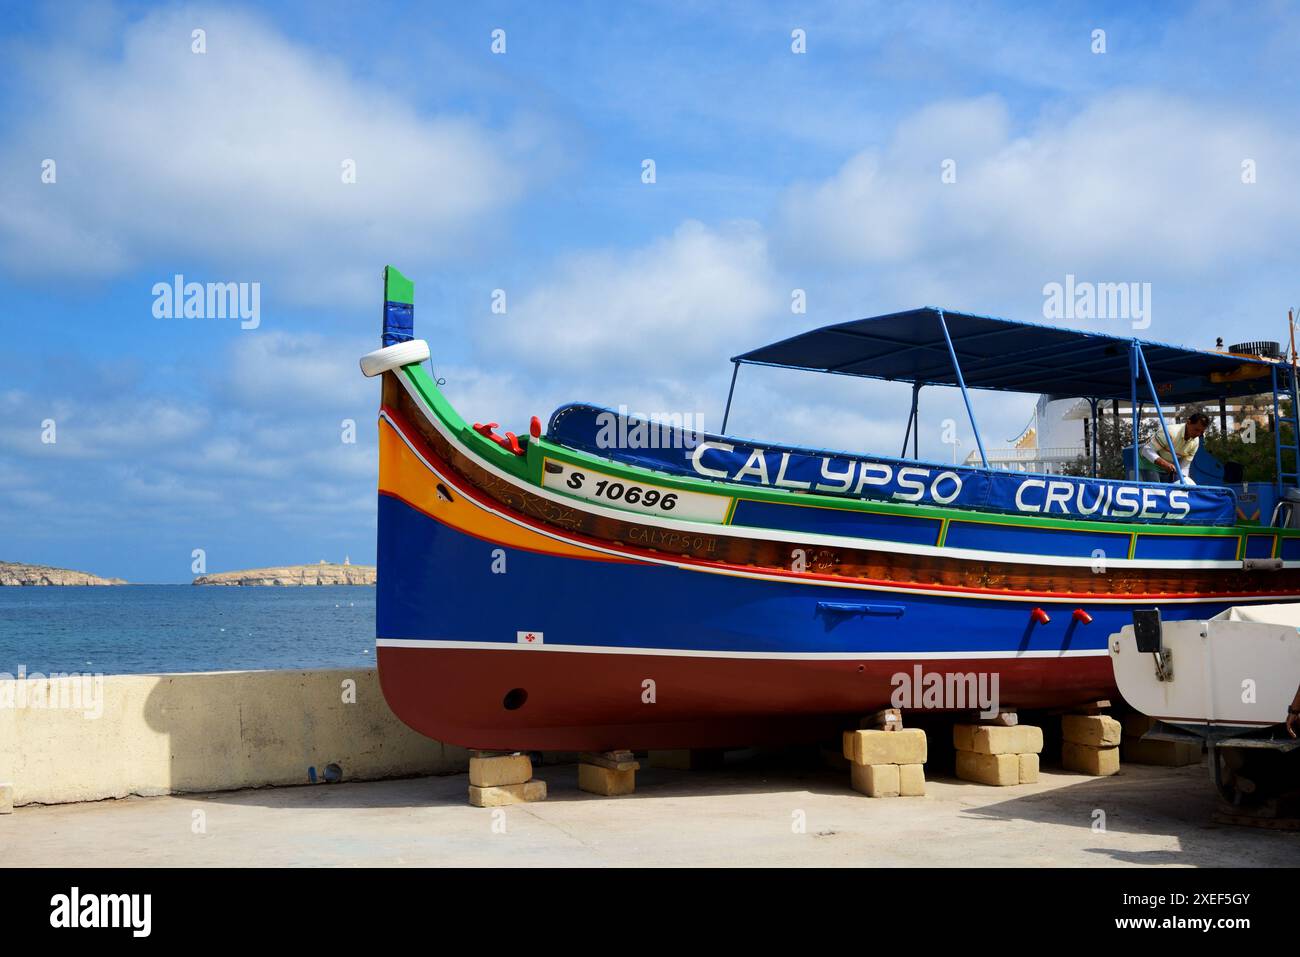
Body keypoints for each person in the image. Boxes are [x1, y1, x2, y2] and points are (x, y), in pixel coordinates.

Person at [1141, 412, 1210, 485]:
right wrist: (1165, 464)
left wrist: (1183, 482)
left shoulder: (1196, 442)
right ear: (1188, 422)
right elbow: (1146, 450)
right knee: (1156, 491)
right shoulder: (1170, 432)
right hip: (1148, 463)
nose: (1198, 434)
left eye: (1201, 432)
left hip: (1167, 468)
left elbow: (1184, 467)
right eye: (1196, 430)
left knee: (1169, 491)